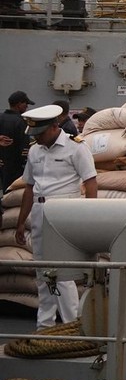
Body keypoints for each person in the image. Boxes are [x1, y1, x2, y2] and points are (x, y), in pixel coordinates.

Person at [15, 103, 97, 328]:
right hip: (40, 213)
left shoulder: (76, 148)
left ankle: (72, 325)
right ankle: (45, 325)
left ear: (54, 126)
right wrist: (21, 222)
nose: (37, 138)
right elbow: (29, 187)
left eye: (39, 133)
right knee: (44, 272)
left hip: (64, 213)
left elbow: (90, 182)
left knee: (62, 272)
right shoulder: (34, 150)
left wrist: (91, 216)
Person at [0, 89, 33, 188]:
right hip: (16, 168)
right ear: (19, 104)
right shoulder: (21, 122)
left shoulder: (1, 117)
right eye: (25, 103)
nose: (27, 106)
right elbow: (24, 148)